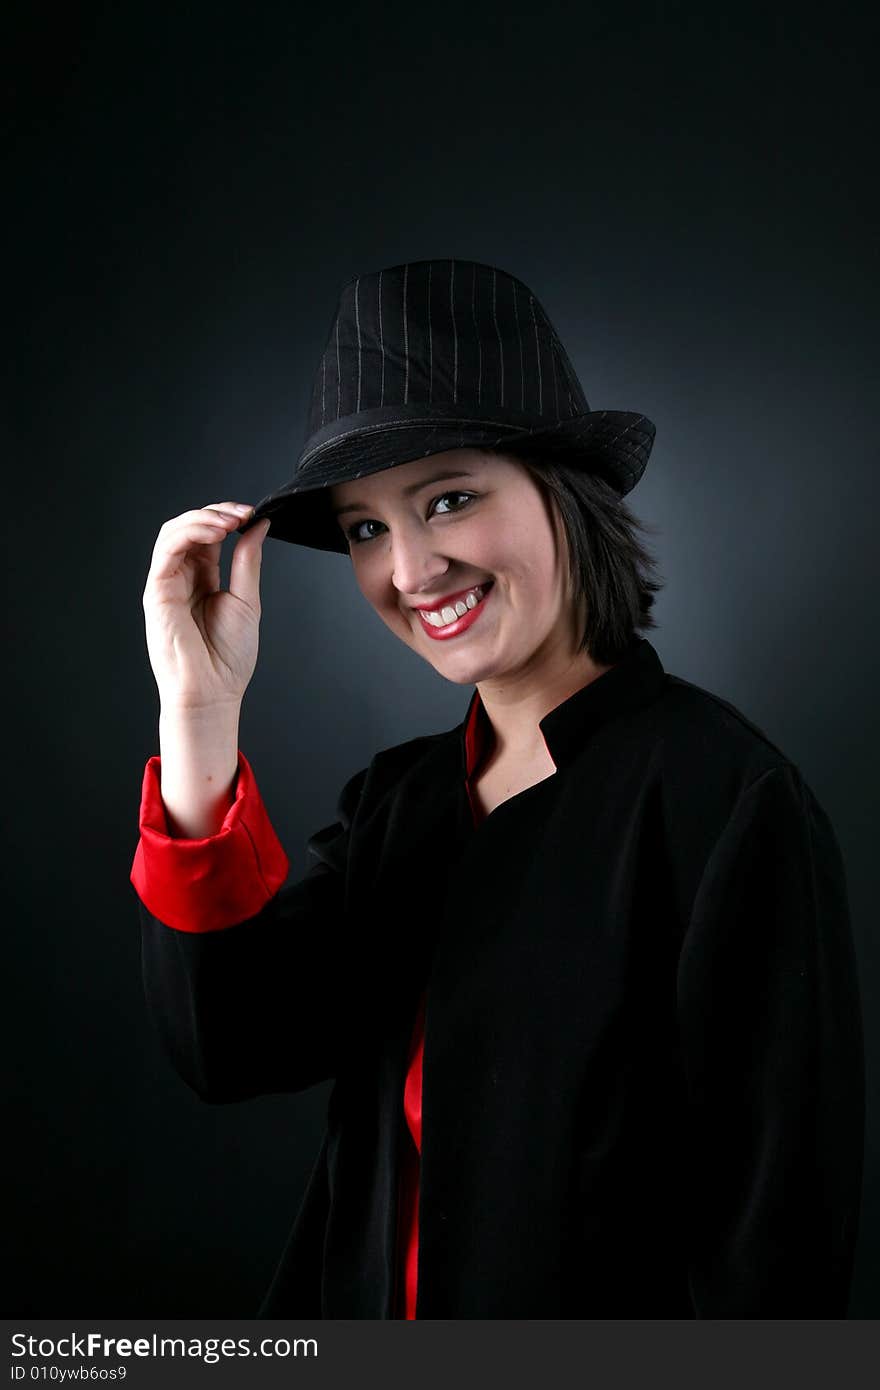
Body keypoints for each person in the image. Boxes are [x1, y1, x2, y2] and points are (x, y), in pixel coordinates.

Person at [130, 258, 865, 1319]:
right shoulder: (401, 800)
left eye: (451, 498)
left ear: (563, 494)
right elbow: (227, 1044)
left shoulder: (725, 801)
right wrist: (199, 714)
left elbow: (774, 1238)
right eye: (366, 528)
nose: (411, 568)